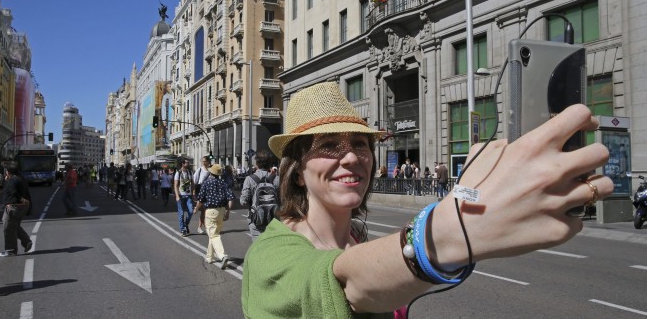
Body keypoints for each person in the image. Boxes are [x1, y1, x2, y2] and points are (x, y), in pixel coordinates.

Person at [241, 81, 613, 317]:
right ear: (297, 171)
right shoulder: (271, 254)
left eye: (359, 143)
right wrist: (455, 231)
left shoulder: (355, 235)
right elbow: (342, 284)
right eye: (328, 146)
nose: (351, 156)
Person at [195, 164, 234, 269]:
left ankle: (222, 256)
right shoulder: (223, 183)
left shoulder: (206, 183)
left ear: (210, 172)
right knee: (214, 234)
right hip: (221, 210)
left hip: (211, 211)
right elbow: (230, 198)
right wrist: (228, 212)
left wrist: (196, 208)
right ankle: (209, 257)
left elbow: (200, 199)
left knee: (214, 235)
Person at [240, 149, 280, 240]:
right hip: (274, 218)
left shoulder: (250, 179)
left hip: (256, 219)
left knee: (259, 247)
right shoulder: (277, 179)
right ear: (270, 164)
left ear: (257, 163)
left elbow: (243, 201)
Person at [0, 164, 33, 257]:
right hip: (22, 207)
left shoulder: (12, 180)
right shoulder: (22, 179)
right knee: (14, 226)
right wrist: (28, 205)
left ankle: (10, 251)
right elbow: (27, 193)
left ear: (8, 172)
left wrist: (21, 199)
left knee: (8, 228)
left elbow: (14, 192)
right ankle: (26, 242)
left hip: (13, 206)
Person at [174, 158, 194, 237]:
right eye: (186, 162)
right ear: (182, 164)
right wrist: (177, 196)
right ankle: (183, 229)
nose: (188, 163)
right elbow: (175, 185)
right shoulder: (178, 173)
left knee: (191, 211)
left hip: (188, 195)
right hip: (181, 195)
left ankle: (186, 224)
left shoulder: (190, 172)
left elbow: (192, 183)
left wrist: (193, 193)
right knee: (181, 213)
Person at [192, 156, 212, 234]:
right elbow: (194, 182)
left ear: (208, 161)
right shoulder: (199, 170)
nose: (203, 163)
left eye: (205, 161)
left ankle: (204, 226)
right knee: (204, 210)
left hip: (210, 191)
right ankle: (200, 227)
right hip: (201, 191)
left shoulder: (211, 170)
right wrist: (193, 192)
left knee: (207, 210)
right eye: (202, 161)